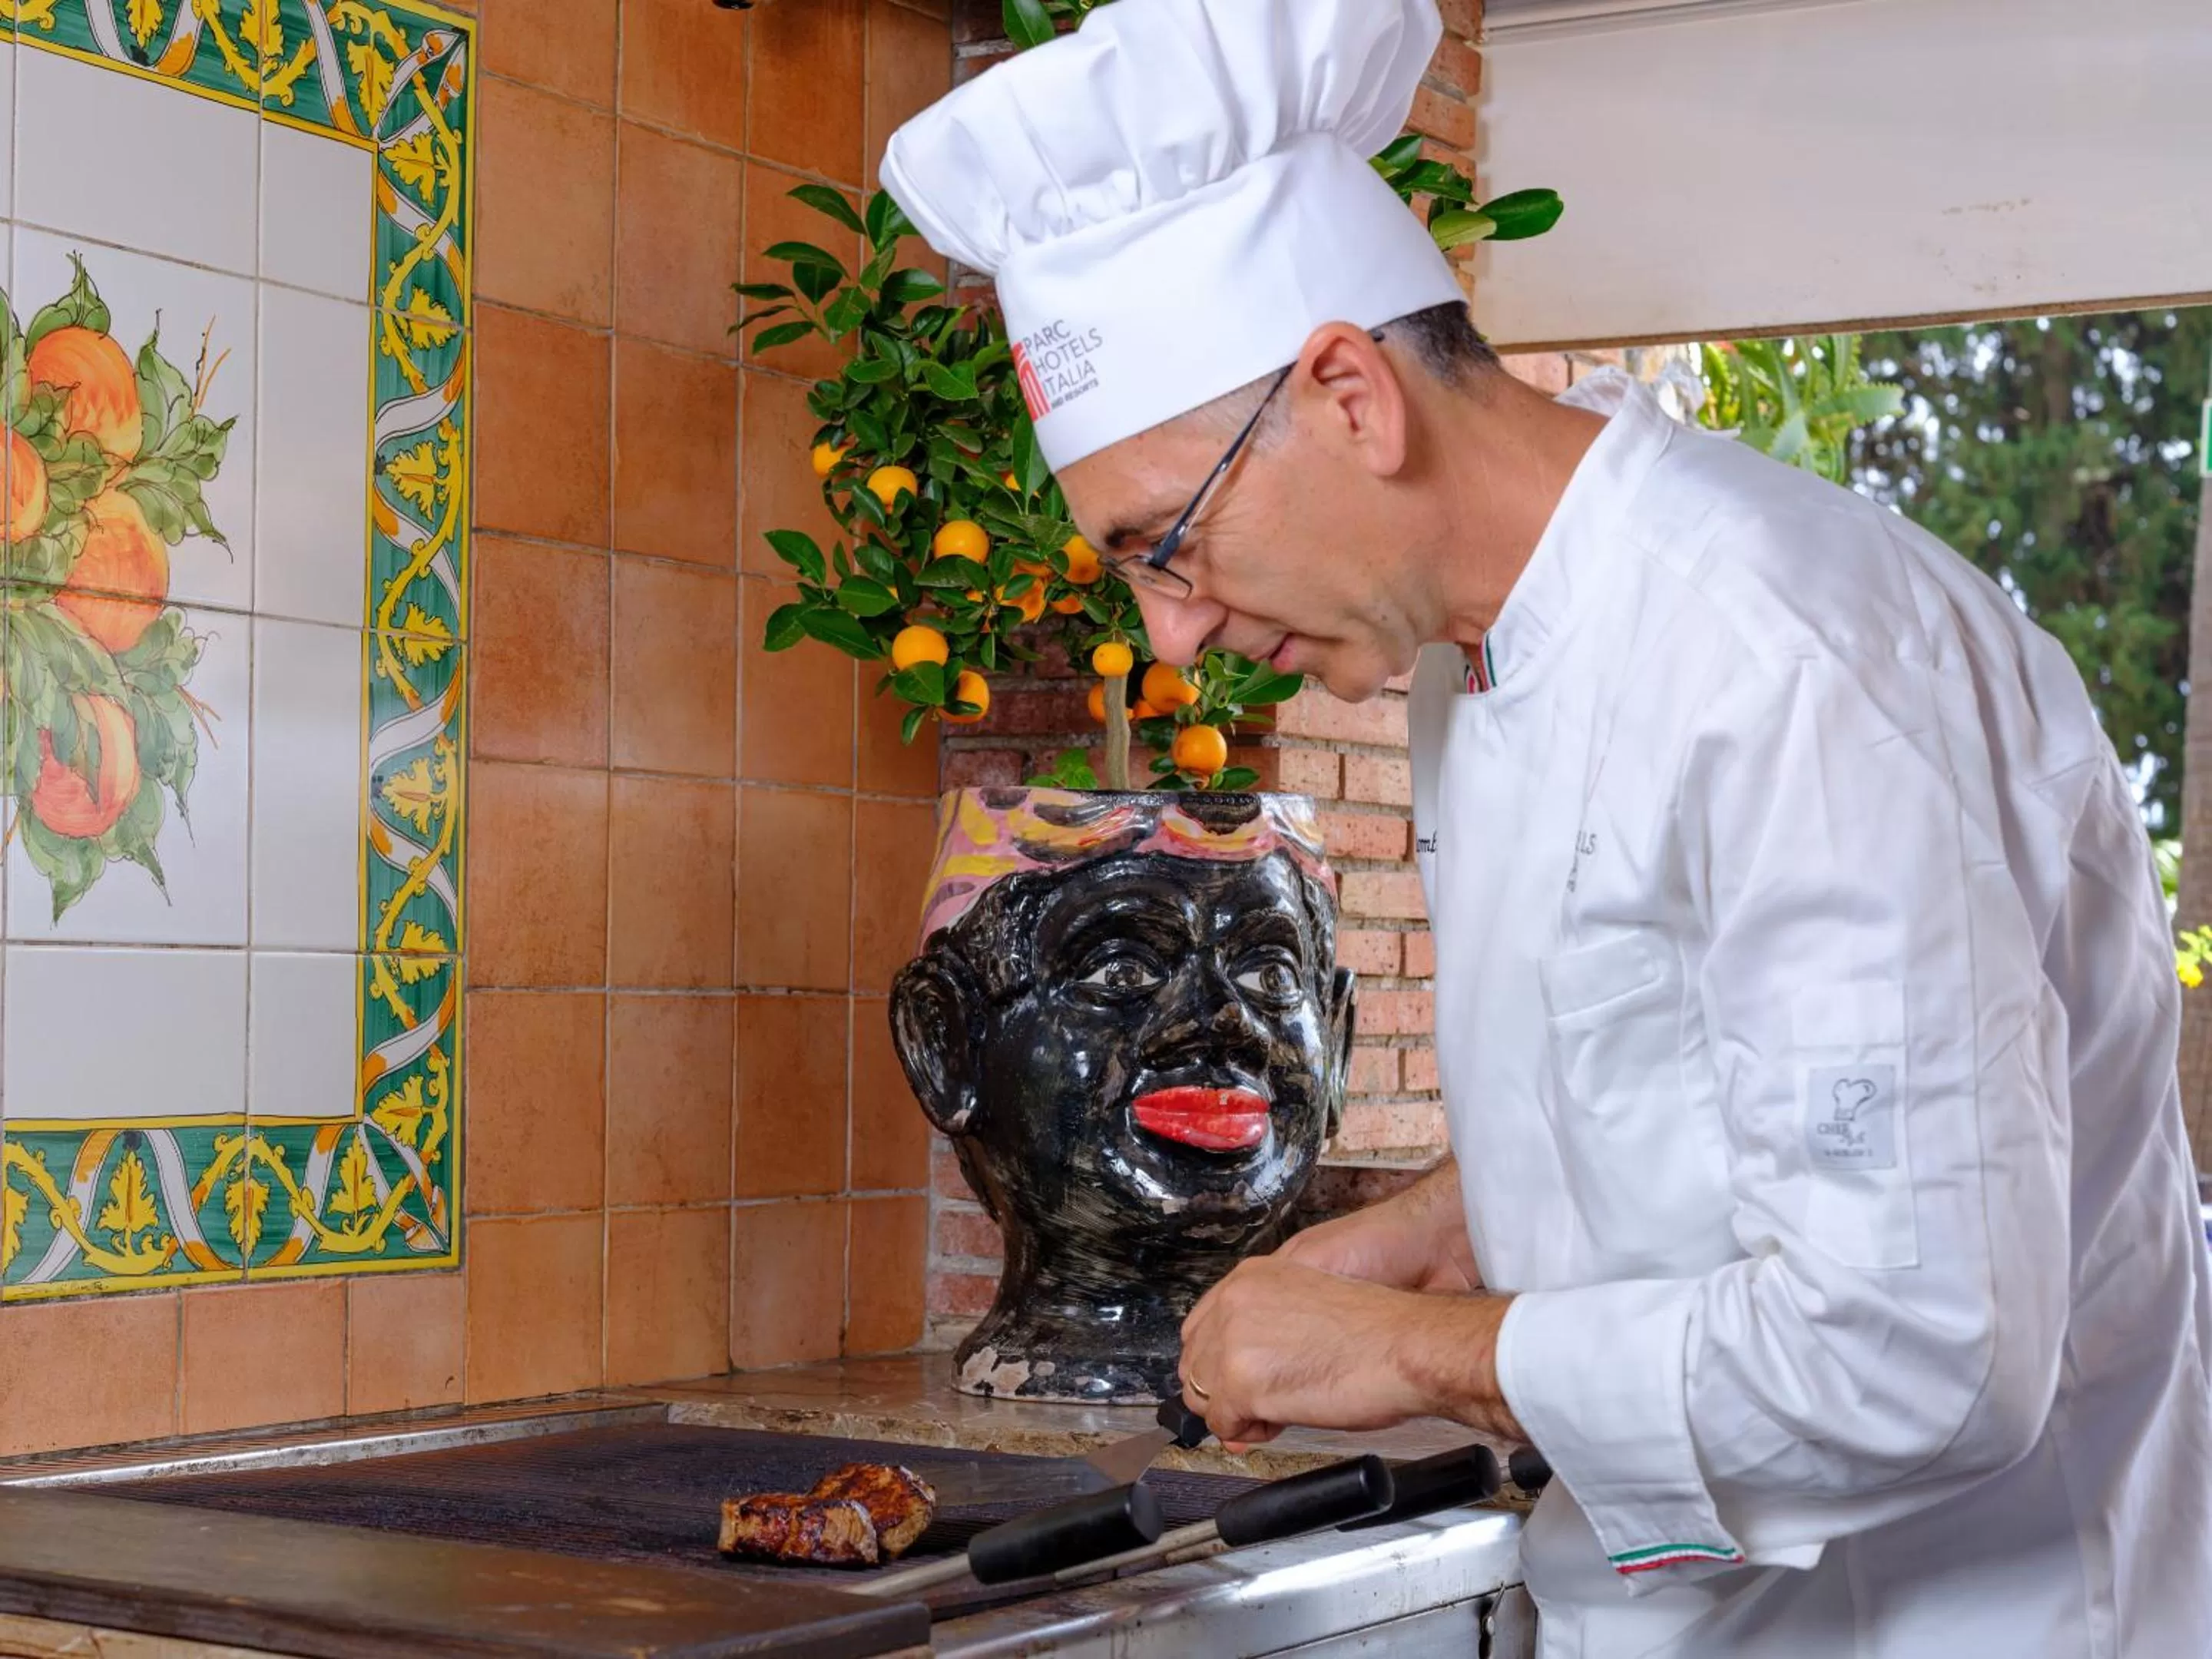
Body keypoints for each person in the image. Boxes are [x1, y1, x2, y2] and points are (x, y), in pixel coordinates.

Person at [879, 0, 2212, 1651]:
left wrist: (1415, 1356)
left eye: (1168, 542)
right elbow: (1702, 1079)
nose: (1171, 638)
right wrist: (1435, 1228)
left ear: (1351, 395)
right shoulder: (1480, 656)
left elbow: (1923, 1355)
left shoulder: (1788, 664)